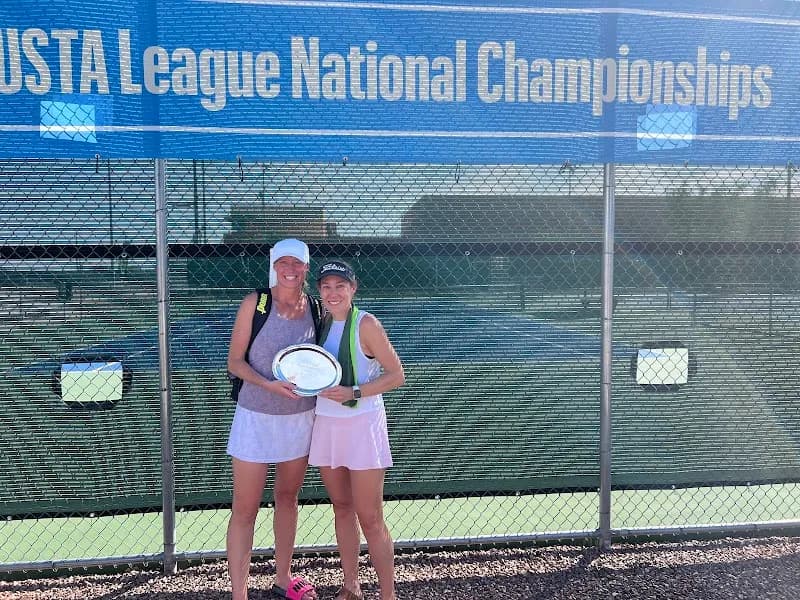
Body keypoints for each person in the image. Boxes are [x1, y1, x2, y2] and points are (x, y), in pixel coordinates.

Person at [226, 238, 319, 600]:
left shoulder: (315, 307)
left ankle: (283, 581)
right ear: (274, 265)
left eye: (298, 264)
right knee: (245, 508)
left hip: (300, 419)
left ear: (306, 268)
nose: (291, 270)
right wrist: (268, 384)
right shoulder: (256, 303)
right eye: (284, 263)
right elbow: (235, 361)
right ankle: (239, 594)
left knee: (287, 498)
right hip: (254, 418)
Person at [309, 260, 405, 600]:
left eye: (340, 286)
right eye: (326, 286)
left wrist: (355, 392)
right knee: (341, 507)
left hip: (363, 427)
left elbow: (397, 375)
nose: (333, 292)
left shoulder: (367, 324)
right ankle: (351, 586)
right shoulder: (318, 325)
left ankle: (388, 595)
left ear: (353, 288)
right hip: (328, 425)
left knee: (370, 516)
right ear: (319, 291)